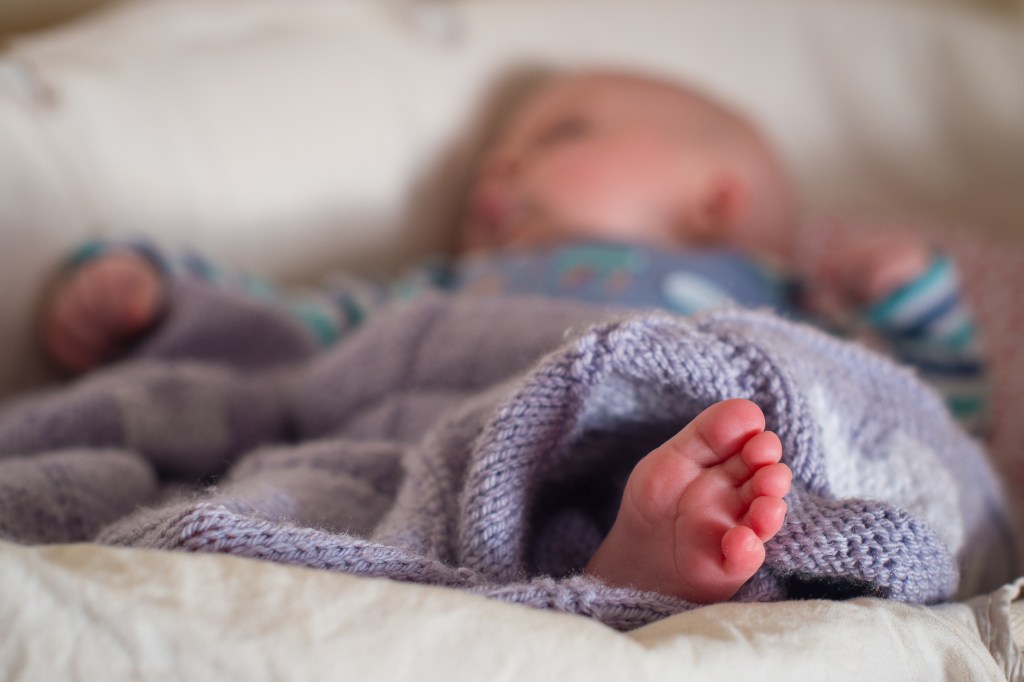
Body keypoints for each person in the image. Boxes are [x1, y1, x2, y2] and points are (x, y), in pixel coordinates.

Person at [35, 71, 986, 605]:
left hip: (656, 428)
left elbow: (920, 425)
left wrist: (911, 304)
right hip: (448, 432)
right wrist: (154, 295)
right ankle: (616, 575)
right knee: (301, 497)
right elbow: (290, 332)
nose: (501, 166)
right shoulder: (446, 286)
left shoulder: (771, 298)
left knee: (743, 457)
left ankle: (646, 562)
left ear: (716, 200)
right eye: (499, 153)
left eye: (559, 133)